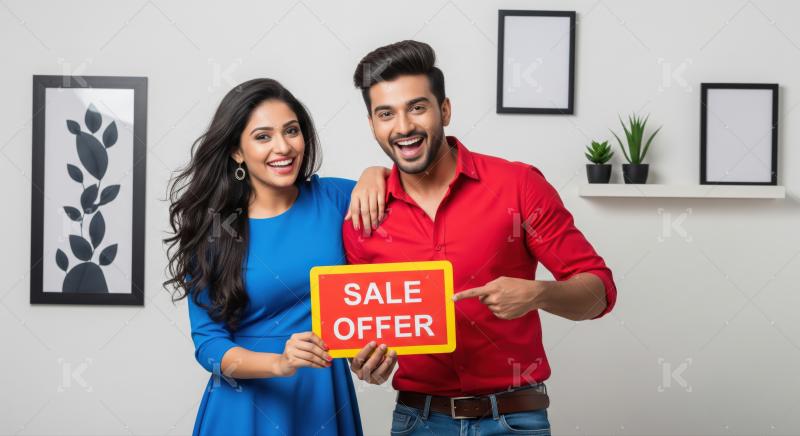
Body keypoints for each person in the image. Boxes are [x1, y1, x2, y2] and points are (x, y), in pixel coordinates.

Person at [343, 40, 618, 435]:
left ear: (445, 110)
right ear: (372, 125)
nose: (402, 127)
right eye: (386, 114)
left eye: (417, 108)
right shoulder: (363, 216)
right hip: (418, 422)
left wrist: (538, 293)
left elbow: (600, 294)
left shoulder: (518, 186)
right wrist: (366, 364)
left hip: (514, 419)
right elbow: (364, 334)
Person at [164, 78, 388, 436]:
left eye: (291, 131)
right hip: (244, 409)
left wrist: (376, 173)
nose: (283, 147)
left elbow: (412, 198)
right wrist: (280, 363)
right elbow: (208, 343)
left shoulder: (336, 199)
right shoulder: (216, 229)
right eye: (263, 136)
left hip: (325, 398)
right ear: (236, 151)